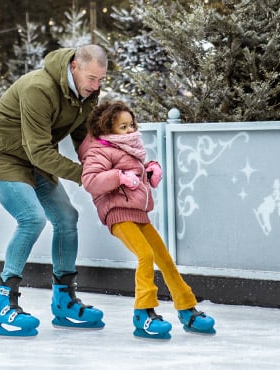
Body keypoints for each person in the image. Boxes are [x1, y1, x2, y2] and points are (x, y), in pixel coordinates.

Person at [0, 44, 108, 337]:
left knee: (67, 217)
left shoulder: (86, 93)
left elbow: (83, 138)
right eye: (91, 78)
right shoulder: (39, 87)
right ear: (74, 66)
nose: (95, 86)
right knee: (32, 218)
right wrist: (85, 176)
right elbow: (40, 152)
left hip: (34, 155)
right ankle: (3, 305)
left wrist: (101, 169)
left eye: (100, 80)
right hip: (0, 153)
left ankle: (64, 302)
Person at [77, 101, 216, 340]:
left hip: (138, 213)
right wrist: (119, 178)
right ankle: (144, 313)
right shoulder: (98, 150)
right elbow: (91, 180)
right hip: (118, 213)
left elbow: (137, 171)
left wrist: (150, 169)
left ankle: (186, 308)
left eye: (131, 125)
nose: (130, 130)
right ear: (107, 129)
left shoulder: (130, 148)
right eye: (123, 127)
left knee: (164, 258)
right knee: (145, 255)